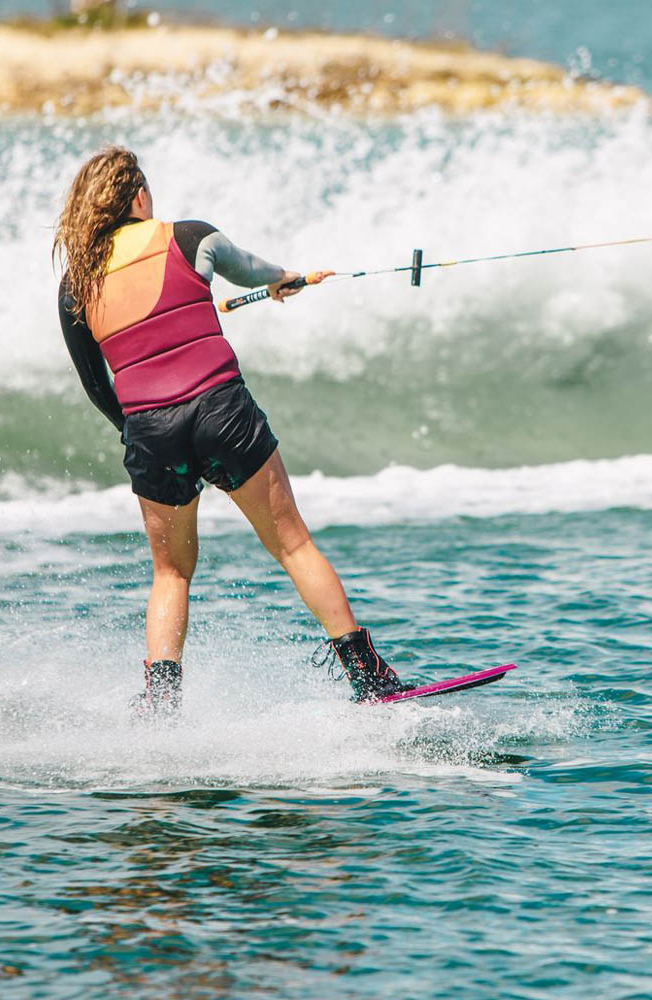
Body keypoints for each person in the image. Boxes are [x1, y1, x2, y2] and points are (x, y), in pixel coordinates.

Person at [53, 146, 413, 716]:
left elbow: (97, 385)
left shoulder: (76, 284)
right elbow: (257, 271)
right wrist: (286, 281)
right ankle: (370, 681)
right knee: (292, 544)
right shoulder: (190, 237)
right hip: (222, 413)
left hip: (150, 431)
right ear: (138, 195)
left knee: (171, 572)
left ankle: (161, 710)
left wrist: (139, 431)